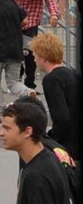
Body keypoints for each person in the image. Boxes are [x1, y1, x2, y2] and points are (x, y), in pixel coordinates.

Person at [5, 0, 60, 90]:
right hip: (13, 21)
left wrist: (54, 13)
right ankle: (17, 77)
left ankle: (29, 82)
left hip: (31, 20)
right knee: (12, 51)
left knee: (30, 54)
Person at [29, 32, 81, 161]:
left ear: (44, 57)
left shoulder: (51, 80)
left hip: (69, 146)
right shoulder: (73, 74)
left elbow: (62, 118)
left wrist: (50, 139)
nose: (34, 60)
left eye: (35, 56)